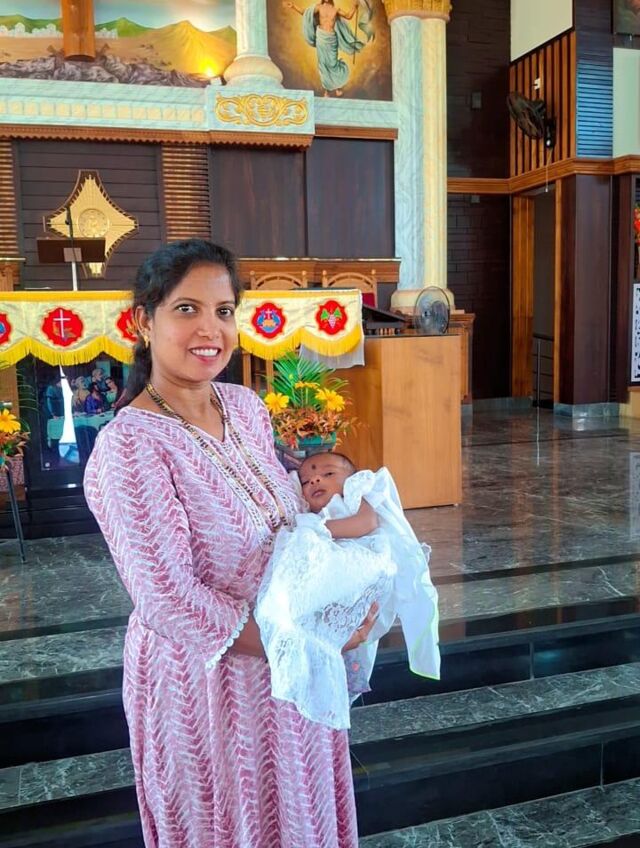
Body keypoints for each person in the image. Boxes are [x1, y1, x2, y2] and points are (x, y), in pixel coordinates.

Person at [83, 239, 375, 848]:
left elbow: (283, 513)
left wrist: (352, 527)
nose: (209, 329)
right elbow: (168, 599)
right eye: (186, 309)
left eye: (223, 311)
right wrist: (303, 642)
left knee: (300, 819)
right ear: (143, 321)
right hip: (210, 688)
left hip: (290, 673)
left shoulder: (244, 407)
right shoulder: (130, 447)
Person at [256, 451, 440, 729]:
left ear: (351, 479)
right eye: (306, 480)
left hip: (361, 558)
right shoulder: (308, 514)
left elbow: (366, 524)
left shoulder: (354, 497)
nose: (315, 480)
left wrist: (319, 531)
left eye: (328, 474)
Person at [283, 0, 363, 97]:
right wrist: (293, 6)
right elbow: (306, 13)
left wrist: (354, 7)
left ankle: (338, 86)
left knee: (333, 63)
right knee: (323, 64)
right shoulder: (318, 7)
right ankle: (327, 90)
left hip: (331, 38)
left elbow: (348, 16)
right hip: (321, 37)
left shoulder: (335, 9)